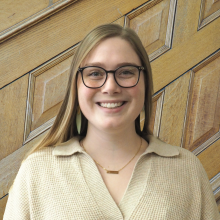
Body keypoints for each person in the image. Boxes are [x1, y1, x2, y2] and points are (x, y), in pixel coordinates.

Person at [3, 24, 219, 220]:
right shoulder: (37, 171)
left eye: (125, 72)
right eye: (95, 73)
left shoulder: (187, 169)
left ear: (145, 83)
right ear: (76, 87)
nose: (110, 87)